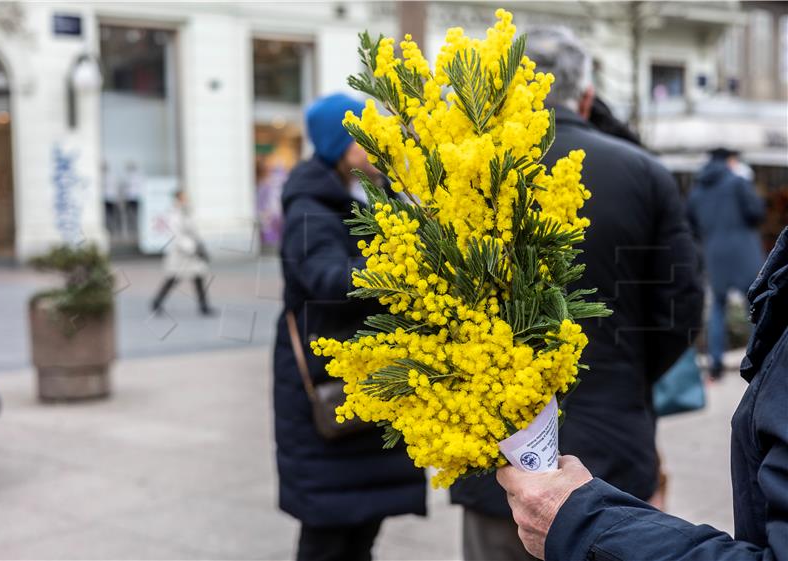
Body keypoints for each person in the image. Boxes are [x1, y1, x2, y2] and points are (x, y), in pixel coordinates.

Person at [449, 27, 704, 561]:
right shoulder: (645, 172)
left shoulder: (457, 176)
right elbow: (680, 311)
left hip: (494, 457)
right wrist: (622, 374)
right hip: (611, 458)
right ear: (586, 96)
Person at [497, 226, 788, 561]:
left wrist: (581, 525)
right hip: (617, 433)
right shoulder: (649, 179)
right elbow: (683, 304)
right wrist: (638, 373)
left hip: (522, 473)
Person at [272, 93, 426, 561]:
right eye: (362, 135)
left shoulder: (372, 193)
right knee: (327, 532)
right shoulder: (308, 206)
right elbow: (323, 279)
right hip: (331, 379)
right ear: (339, 145)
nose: (375, 142)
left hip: (371, 379)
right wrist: (400, 267)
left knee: (362, 527)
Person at [688, 148, 765, 380]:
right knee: (756, 306)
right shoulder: (738, 182)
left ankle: (716, 365)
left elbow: (690, 223)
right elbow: (756, 212)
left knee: (718, 309)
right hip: (744, 252)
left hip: (714, 254)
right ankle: (760, 359)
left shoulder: (697, 190)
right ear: (729, 161)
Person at [150, 190, 216, 316]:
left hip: (192, 254)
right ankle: (156, 302)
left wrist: (200, 247)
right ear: (177, 199)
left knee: (198, 278)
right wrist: (193, 248)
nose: (186, 199)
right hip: (180, 255)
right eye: (183, 197)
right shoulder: (173, 214)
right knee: (173, 279)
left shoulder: (187, 212)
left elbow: (194, 231)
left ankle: (204, 306)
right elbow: (176, 236)